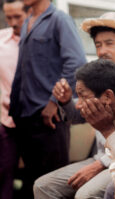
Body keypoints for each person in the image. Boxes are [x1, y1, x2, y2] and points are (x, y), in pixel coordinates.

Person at [33, 11, 115, 199]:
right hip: (99, 157)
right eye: (98, 45)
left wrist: (100, 165)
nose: (102, 51)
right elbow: (79, 115)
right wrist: (66, 101)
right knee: (43, 186)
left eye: (109, 43)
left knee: (85, 195)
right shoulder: (95, 75)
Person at [8, 0, 86, 197]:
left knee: (52, 185)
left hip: (50, 119)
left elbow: (76, 65)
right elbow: (22, 69)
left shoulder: (60, 20)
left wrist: (54, 102)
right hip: (26, 117)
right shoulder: (28, 22)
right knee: (31, 183)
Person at [0, 1, 27, 199]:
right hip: (6, 121)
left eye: (18, 16)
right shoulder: (1, 39)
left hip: (34, 121)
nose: (13, 22)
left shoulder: (41, 42)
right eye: (8, 17)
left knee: (35, 176)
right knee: (3, 172)